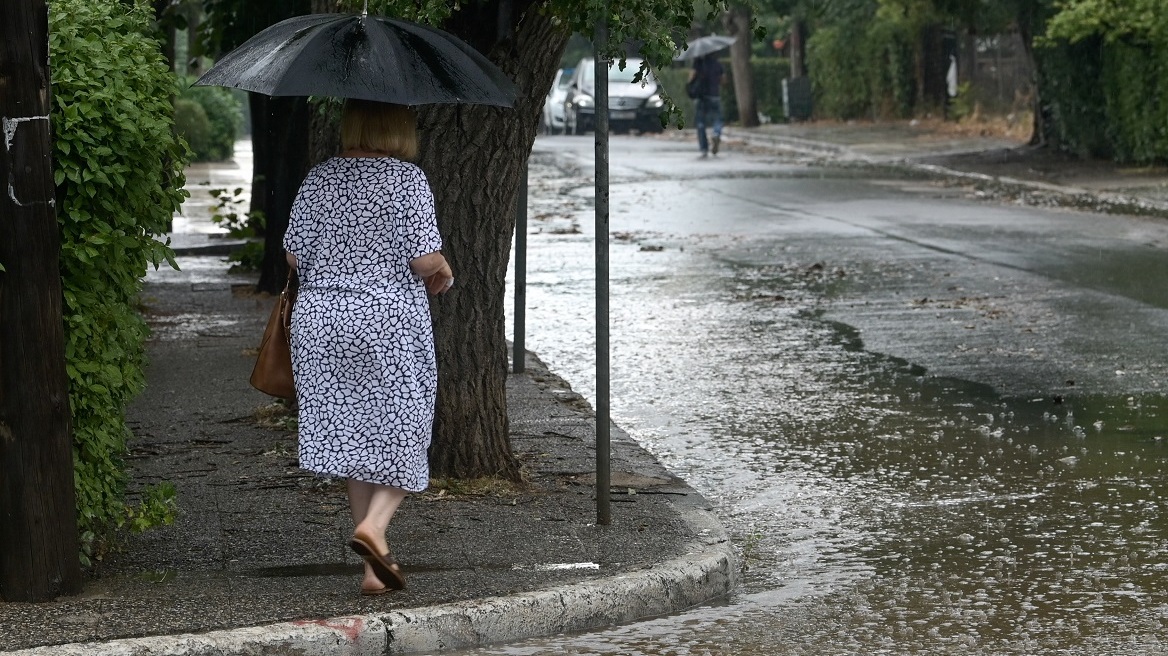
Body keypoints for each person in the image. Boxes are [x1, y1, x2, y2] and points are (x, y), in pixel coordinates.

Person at [282, 99, 454, 596]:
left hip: (321, 325)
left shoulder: (318, 179)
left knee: (352, 439)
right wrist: (443, 269)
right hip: (385, 325)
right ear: (398, 127)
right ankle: (374, 528)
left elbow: (295, 256)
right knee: (407, 428)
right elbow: (423, 260)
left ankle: (373, 569)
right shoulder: (406, 179)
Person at [689, 54, 724, 158]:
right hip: (715, 95)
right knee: (718, 118)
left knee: (700, 122)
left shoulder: (698, 63)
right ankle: (716, 133)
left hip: (701, 96)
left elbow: (691, 77)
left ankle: (704, 148)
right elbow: (723, 80)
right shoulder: (717, 64)